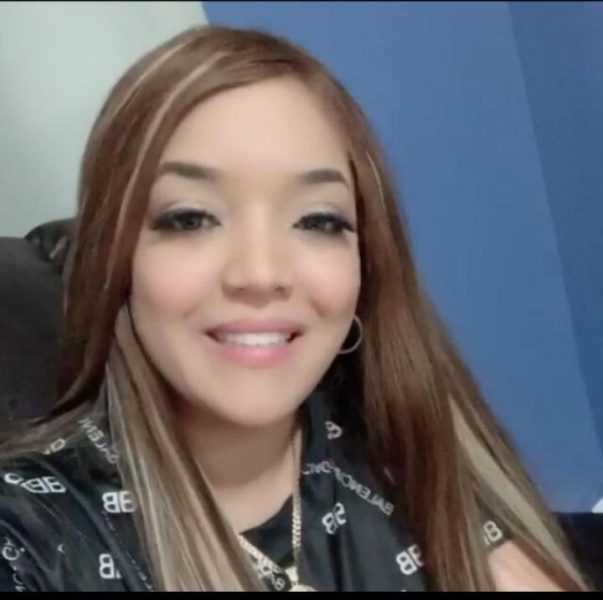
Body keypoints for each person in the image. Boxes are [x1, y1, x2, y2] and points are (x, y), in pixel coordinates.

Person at [0, 25, 591, 592]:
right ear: (115, 257)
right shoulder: (31, 535)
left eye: (317, 220)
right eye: (190, 218)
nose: (261, 274)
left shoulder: (398, 439)